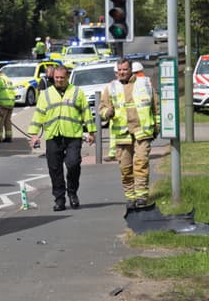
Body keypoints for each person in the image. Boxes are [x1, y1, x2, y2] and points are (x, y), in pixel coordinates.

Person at [28, 65, 95, 211]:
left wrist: (91, 132)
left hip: (73, 135)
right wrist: (34, 135)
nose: (59, 80)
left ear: (67, 77)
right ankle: (59, 199)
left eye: (62, 78)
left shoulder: (77, 92)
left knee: (73, 164)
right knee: (55, 168)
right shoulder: (45, 94)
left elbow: (86, 113)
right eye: (56, 78)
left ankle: (72, 193)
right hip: (53, 135)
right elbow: (38, 114)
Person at [99, 59, 160, 209]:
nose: (122, 72)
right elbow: (101, 110)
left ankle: (141, 197)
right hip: (122, 135)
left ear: (131, 70)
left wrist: (157, 127)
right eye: (119, 69)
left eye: (125, 69)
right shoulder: (110, 88)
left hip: (142, 132)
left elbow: (156, 107)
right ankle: (130, 197)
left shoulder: (145, 84)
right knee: (125, 169)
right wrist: (107, 112)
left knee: (141, 164)